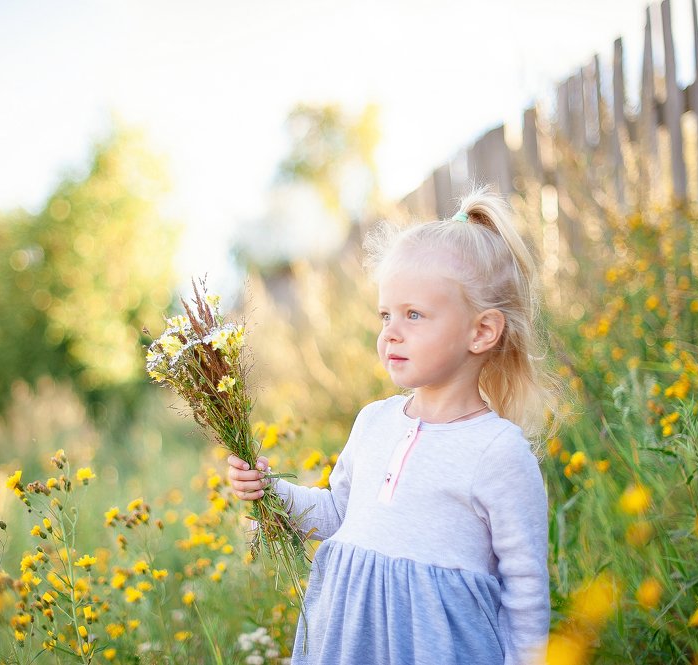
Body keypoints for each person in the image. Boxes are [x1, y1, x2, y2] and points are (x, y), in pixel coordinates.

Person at [227, 188, 554, 665]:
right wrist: (269, 492)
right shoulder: (374, 421)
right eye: (386, 315)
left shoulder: (497, 451)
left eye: (414, 315)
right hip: (350, 643)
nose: (390, 333)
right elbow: (338, 513)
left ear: (481, 331)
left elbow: (526, 594)